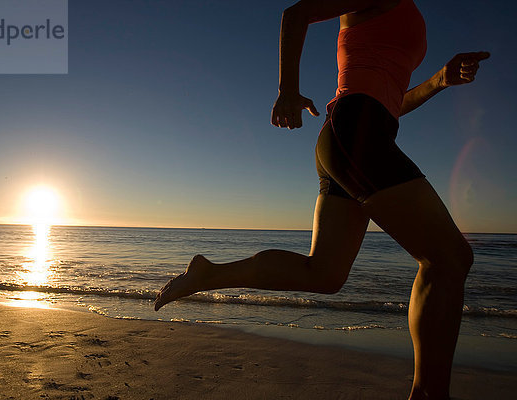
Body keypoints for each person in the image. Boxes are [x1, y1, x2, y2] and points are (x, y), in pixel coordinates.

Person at [154, 1, 489, 399]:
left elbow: (392, 103)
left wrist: (438, 81)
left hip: (357, 135)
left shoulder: (406, 13)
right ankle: (429, 394)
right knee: (450, 258)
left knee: (325, 275)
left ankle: (209, 274)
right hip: (356, 133)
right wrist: (287, 91)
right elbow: (297, 14)